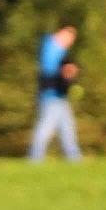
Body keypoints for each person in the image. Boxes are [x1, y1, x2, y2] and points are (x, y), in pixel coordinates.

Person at [28, 26, 82, 163]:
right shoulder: (52, 48)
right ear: (61, 33)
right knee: (45, 128)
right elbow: (51, 73)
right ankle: (35, 158)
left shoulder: (57, 49)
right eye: (69, 38)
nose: (69, 42)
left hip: (59, 96)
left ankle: (74, 158)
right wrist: (68, 71)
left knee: (68, 128)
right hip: (51, 96)